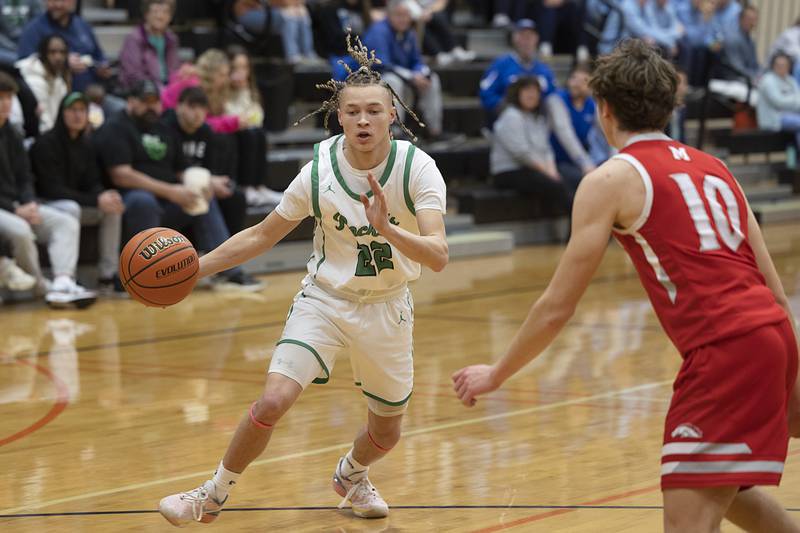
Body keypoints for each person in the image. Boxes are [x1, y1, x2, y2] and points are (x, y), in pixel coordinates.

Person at [453, 39, 800, 533]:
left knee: (688, 520)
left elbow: (557, 307)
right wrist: (789, 370)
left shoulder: (610, 179)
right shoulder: (718, 169)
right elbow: (773, 285)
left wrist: (497, 373)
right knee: (730, 491)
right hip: (771, 336)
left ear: (604, 109)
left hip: (725, 350)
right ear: (668, 105)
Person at [158, 37, 448, 526]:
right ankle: (211, 494)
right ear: (337, 116)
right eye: (353, 111)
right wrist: (194, 269)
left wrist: (388, 229)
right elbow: (260, 235)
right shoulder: (318, 171)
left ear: (391, 117)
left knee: (387, 433)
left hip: (387, 306)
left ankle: (353, 474)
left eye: (374, 111)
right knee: (272, 400)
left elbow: (439, 255)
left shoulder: (417, 169)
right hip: (325, 300)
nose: (363, 121)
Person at [94, 79, 261, 290]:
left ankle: (227, 270)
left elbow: (182, 169)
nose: (151, 106)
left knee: (200, 195)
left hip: (166, 201)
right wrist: (171, 191)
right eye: (145, 101)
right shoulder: (116, 127)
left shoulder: (162, 128)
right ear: (131, 101)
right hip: (129, 202)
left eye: (155, 101)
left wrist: (205, 183)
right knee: (142, 201)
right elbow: (121, 175)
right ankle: (145, 275)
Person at [0, 72, 96, 307]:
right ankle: (42, 287)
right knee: (21, 230)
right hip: (6, 209)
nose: (5, 103)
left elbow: (24, 177)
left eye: (8, 98)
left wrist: (29, 202)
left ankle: (63, 282)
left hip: (17, 206)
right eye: (0, 98)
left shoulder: (12, 132)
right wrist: (15, 208)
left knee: (65, 222)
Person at [31, 92, 125, 293]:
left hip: (78, 202)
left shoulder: (88, 145)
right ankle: (68, 276)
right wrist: (95, 199)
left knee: (113, 208)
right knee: (71, 208)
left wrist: (105, 196)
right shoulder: (45, 144)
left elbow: (93, 183)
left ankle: (107, 275)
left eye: (82, 110)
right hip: (46, 203)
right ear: (62, 113)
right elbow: (51, 189)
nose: (78, 115)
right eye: (73, 110)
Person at [480, 19, 595, 176]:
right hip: (511, 119)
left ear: (537, 39)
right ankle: (580, 163)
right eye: (522, 35)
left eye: (530, 36)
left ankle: (583, 161)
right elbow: (486, 93)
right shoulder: (502, 64)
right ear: (515, 38)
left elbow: (553, 96)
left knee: (555, 103)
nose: (526, 40)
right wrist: (509, 106)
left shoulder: (543, 69)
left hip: (538, 122)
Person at [161, 86, 249, 237]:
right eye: (192, 107)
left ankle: (233, 247)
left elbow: (209, 167)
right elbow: (171, 169)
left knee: (236, 197)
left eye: (202, 108)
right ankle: (220, 252)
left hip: (201, 182)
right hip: (174, 185)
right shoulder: (165, 128)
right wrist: (209, 182)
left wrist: (214, 182)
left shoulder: (205, 131)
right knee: (201, 195)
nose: (198, 113)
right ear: (179, 106)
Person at [362, 0, 446, 140]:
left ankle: (434, 130)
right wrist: (411, 76)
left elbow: (416, 61)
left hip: (403, 75)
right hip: (374, 76)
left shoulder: (409, 33)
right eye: (399, 15)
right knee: (393, 82)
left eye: (406, 15)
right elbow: (382, 64)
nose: (403, 19)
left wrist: (422, 73)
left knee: (432, 79)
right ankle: (395, 130)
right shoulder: (379, 31)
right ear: (389, 15)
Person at [490, 77, 570, 217]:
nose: (531, 95)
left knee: (570, 179)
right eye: (527, 91)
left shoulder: (537, 118)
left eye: (535, 91)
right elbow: (521, 153)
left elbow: (546, 149)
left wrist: (552, 170)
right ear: (518, 93)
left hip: (533, 169)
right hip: (508, 172)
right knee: (556, 186)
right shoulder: (511, 116)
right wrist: (547, 172)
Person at [17, 0, 113, 92]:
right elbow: (24, 65)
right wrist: (62, 63)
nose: (58, 5)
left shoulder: (82, 25)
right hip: (52, 93)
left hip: (90, 92)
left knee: (118, 107)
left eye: (63, 0)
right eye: (53, 0)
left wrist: (102, 67)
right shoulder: (33, 29)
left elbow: (99, 56)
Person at [118, 0, 181, 91]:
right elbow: (133, 74)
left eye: (165, 12)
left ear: (170, 17)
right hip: (143, 90)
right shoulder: (134, 38)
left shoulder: (172, 39)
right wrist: (160, 89)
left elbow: (174, 69)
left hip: (167, 88)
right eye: (155, 12)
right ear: (146, 14)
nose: (160, 16)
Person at [551, 63, 595, 192]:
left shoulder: (592, 104)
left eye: (583, 81)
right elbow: (566, 136)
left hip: (579, 159)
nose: (576, 84)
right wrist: (586, 165)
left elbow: (609, 131)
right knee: (586, 181)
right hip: (556, 160)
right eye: (574, 78)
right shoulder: (556, 100)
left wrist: (615, 160)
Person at [16, 34, 70, 132]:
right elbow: (43, 121)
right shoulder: (33, 79)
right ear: (43, 53)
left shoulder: (58, 80)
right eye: (52, 52)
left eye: (62, 52)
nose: (58, 57)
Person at [756, 52, 800, 148]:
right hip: (774, 120)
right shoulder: (767, 80)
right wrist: (795, 101)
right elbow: (778, 102)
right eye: (778, 65)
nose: (781, 68)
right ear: (773, 66)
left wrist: (791, 100)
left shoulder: (790, 80)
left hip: (792, 116)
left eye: (784, 65)